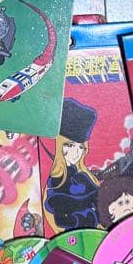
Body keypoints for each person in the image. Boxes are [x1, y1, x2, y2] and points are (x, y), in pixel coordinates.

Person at [44, 98, 99, 231]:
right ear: (59, 145)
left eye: (81, 147)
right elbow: (61, 220)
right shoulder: (56, 180)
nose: (76, 153)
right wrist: (86, 216)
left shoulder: (84, 177)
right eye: (69, 145)